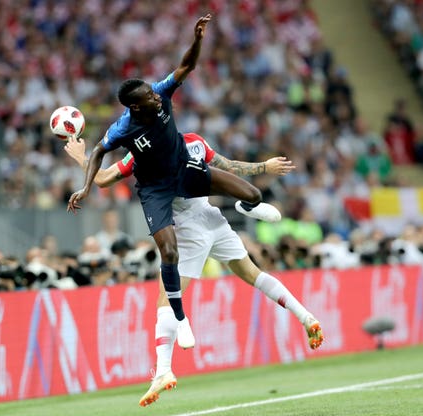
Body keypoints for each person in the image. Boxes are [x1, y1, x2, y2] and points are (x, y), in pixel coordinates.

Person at [67, 14, 281, 349]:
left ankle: (244, 206)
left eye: (155, 92)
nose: (156, 96)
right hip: (157, 191)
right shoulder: (127, 135)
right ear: (135, 107)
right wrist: (84, 181)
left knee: (253, 193)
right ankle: (179, 320)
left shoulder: (166, 100)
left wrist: (196, 39)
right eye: (149, 97)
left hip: (186, 173)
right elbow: (101, 160)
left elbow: (185, 67)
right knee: (169, 253)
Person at [64, 133, 325, 407]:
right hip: (213, 218)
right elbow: (230, 166)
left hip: (189, 229)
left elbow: (103, 179)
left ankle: (163, 370)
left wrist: (81, 157)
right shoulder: (193, 140)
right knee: (253, 274)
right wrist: (264, 167)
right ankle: (306, 316)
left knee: (166, 297)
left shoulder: (141, 150)